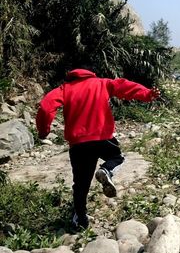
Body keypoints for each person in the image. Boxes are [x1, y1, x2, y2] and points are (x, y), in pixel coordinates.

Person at [36, 68, 160, 229]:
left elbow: (46, 108)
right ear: (90, 74)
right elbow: (125, 86)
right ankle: (106, 171)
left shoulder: (65, 89)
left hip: (78, 143)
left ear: (70, 77)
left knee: (81, 184)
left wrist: (43, 131)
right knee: (116, 158)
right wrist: (147, 94)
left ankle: (80, 219)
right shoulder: (102, 83)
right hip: (102, 137)